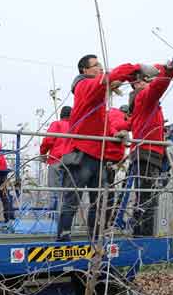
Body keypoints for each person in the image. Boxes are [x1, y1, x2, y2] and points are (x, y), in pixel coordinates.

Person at [56, 55, 146, 241]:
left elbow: (102, 123)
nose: (99, 68)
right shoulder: (84, 86)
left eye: (99, 65)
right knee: (73, 199)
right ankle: (63, 239)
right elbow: (109, 77)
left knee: (100, 202)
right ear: (84, 70)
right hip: (81, 154)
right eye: (95, 65)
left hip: (98, 156)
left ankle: (95, 238)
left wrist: (115, 132)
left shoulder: (98, 99)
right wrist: (136, 67)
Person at [128, 42, 173, 236]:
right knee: (147, 198)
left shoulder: (147, 104)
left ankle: (141, 232)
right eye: (148, 80)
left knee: (146, 196)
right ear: (139, 83)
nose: (151, 83)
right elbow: (159, 84)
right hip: (146, 153)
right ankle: (143, 237)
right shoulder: (143, 97)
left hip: (149, 153)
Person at [40, 106, 71, 187]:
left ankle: (56, 200)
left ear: (61, 115)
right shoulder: (75, 126)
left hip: (56, 160)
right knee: (69, 192)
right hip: (72, 162)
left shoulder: (57, 124)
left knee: (54, 191)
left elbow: (48, 140)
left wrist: (43, 154)